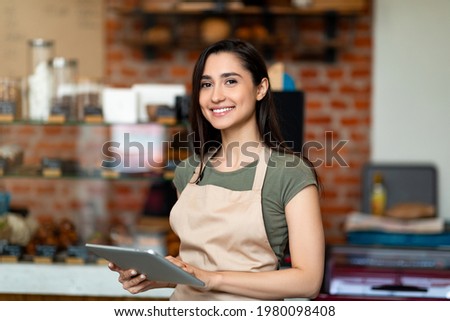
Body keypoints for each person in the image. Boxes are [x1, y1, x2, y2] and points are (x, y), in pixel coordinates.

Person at [109, 39, 325, 300]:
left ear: (261, 88)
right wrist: (158, 275)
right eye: (206, 84)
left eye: (230, 81)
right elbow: (199, 267)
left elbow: (308, 281)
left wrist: (212, 279)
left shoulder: (289, 173)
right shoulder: (188, 171)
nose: (216, 96)